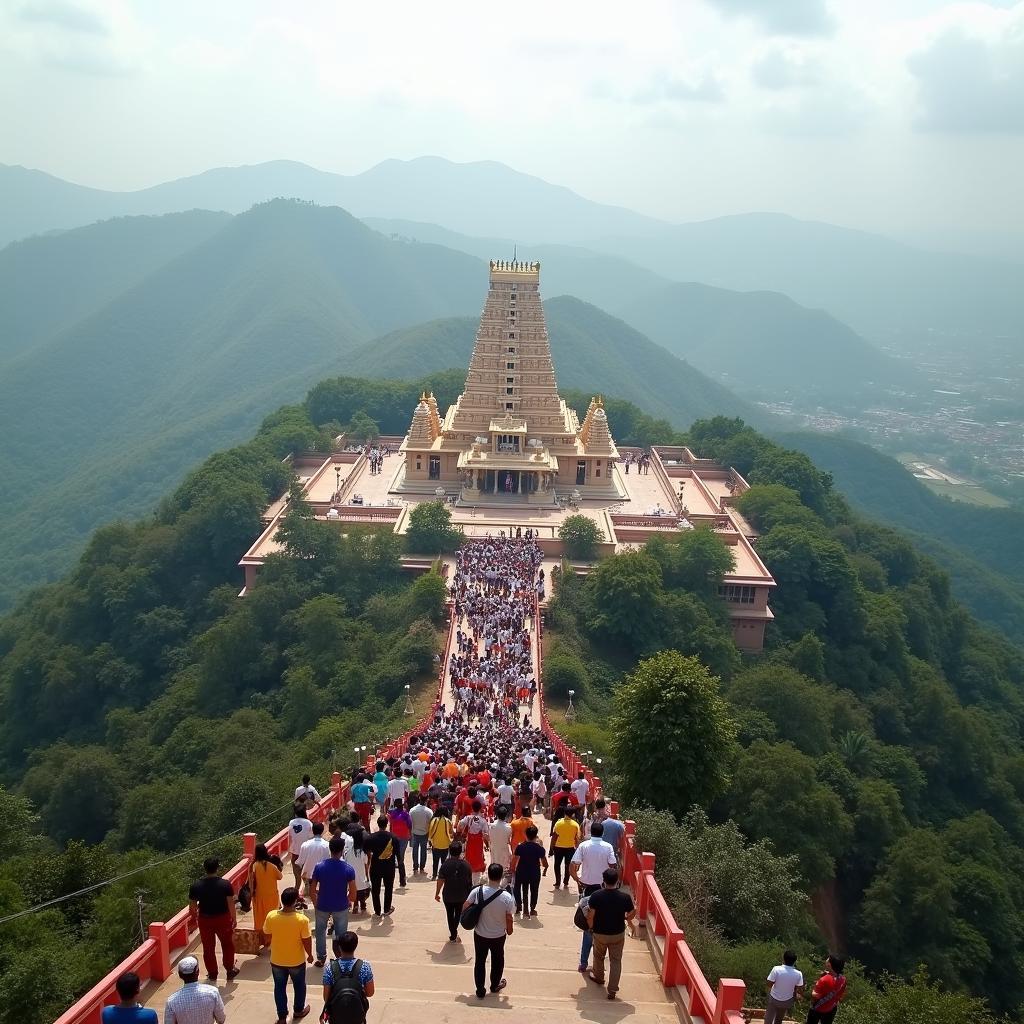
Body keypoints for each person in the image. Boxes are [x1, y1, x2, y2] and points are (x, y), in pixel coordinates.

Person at [463, 862, 515, 999]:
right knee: (497, 960)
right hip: (498, 935)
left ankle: (480, 989)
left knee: (480, 961)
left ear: (488, 875)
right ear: (500, 877)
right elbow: (509, 917)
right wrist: (509, 930)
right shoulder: (507, 897)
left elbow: (465, 906)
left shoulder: (477, 891)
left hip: (480, 934)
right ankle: (495, 985)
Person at [262, 887, 314, 1023]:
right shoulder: (302, 920)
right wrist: (310, 955)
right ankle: (298, 1011)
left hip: (277, 960)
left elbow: (266, 935)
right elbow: (306, 940)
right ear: (295, 901)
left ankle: (282, 1017)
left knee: (279, 987)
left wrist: (271, 944)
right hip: (296, 961)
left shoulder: (271, 916)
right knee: (299, 986)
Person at [585, 869, 637, 1001]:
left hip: (600, 933)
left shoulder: (596, 896)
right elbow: (633, 912)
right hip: (617, 934)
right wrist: (626, 919)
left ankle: (599, 978)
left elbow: (590, 915)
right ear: (617, 881)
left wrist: (591, 928)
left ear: (603, 880)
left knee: (598, 956)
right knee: (616, 961)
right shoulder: (624, 897)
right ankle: (612, 990)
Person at [309, 837, 358, 968]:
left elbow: (312, 889)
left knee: (320, 931)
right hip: (340, 905)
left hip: (322, 904)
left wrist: (315, 902)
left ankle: (321, 957)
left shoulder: (319, 867)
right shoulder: (348, 869)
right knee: (341, 934)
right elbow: (353, 894)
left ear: (330, 849)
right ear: (342, 850)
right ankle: (340, 956)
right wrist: (347, 901)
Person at [187, 858, 238, 982]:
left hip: (205, 920)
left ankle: (213, 973)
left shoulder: (196, 886)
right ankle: (230, 969)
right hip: (223, 918)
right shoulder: (225, 884)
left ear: (205, 868)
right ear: (217, 867)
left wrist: (195, 919)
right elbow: (231, 904)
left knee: (208, 948)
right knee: (227, 945)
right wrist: (234, 918)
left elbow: (192, 907)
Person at [321, 931, 374, 1024]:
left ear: (339, 947)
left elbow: (326, 997)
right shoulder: (365, 966)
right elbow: (370, 993)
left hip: (336, 1016)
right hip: (357, 1015)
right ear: (356, 946)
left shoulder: (330, 967)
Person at [164, 956, 225, 1024]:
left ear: (180, 975)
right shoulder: (213, 993)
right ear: (198, 972)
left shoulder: (171, 1001)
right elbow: (221, 1018)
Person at [435, 840, 473, 942]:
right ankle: (454, 932)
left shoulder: (445, 865)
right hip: (461, 896)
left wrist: (437, 893)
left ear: (449, 851)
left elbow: (440, 880)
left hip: (448, 895)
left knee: (449, 914)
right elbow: (470, 883)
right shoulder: (466, 865)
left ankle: (453, 933)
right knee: (458, 914)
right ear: (460, 851)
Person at [249, 843, 284, 947]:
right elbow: (280, 877)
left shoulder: (253, 866)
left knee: (260, 919)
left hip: (258, 897)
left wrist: (251, 895)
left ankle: (262, 941)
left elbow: (250, 882)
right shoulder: (271, 866)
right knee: (272, 918)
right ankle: (271, 940)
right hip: (272, 896)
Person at [569, 820, 616, 896]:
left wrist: (577, 879)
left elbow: (573, 864)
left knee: (584, 905)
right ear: (603, 833)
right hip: (602, 884)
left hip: (586, 883)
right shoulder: (608, 847)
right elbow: (612, 864)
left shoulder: (583, 846)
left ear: (591, 832)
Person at [363, 815, 397, 917]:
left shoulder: (371, 837)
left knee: (375, 890)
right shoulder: (393, 837)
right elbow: (397, 853)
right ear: (387, 824)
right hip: (389, 866)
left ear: (378, 824)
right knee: (388, 888)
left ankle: (377, 911)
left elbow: (365, 850)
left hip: (376, 866)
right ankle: (386, 909)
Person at [510, 824, 547, 917]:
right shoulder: (540, 849)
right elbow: (545, 863)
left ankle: (520, 906)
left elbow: (514, 860)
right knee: (534, 890)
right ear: (536, 836)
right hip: (534, 873)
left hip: (521, 871)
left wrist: (512, 870)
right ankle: (532, 909)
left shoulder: (520, 847)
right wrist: (545, 868)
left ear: (525, 835)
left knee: (521, 889)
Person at [765, 950, 805, 1024]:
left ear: (783, 959)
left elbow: (769, 984)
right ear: (795, 961)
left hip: (774, 998)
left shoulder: (776, 969)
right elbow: (800, 989)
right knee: (779, 1020)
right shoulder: (799, 974)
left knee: (768, 1019)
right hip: (787, 1000)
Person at [806, 955, 847, 1024]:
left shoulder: (824, 980)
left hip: (818, 1007)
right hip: (831, 1007)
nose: (826, 960)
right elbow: (840, 995)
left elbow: (816, 996)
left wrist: (813, 991)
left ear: (829, 964)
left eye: (828, 959)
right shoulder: (843, 979)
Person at [298, 821, 331, 897]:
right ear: (322, 831)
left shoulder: (305, 844)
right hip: (323, 874)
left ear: (312, 831)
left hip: (309, 874)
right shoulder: (327, 845)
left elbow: (300, 861)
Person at [458, 800, 489, 882]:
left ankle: (469, 878)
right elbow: (486, 834)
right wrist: (488, 844)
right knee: (478, 859)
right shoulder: (483, 820)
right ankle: (476, 882)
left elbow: (460, 825)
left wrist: (461, 831)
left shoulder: (468, 818)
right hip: (478, 843)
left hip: (470, 842)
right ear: (480, 808)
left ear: (472, 808)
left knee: (468, 858)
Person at [550, 808, 580, 889]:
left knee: (557, 865)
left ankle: (557, 882)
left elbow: (554, 837)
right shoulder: (575, 825)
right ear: (572, 814)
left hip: (558, 848)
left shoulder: (558, 823)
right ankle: (566, 882)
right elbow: (577, 838)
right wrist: (577, 850)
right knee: (568, 866)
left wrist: (551, 848)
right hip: (570, 848)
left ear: (564, 813)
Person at [344, 825, 370, 915]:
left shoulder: (348, 852)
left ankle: (355, 904)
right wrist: (367, 876)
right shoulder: (362, 852)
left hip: (351, 878)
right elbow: (366, 865)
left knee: (355, 889)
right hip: (361, 878)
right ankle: (362, 904)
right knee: (363, 889)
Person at [387, 798, 413, 888]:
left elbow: (391, 825)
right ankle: (402, 880)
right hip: (404, 838)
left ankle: (391, 880)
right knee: (400, 859)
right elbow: (410, 825)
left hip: (394, 837)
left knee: (393, 859)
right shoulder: (406, 814)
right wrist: (410, 835)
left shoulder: (392, 814)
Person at [288, 807, 314, 891]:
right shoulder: (309, 823)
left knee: (297, 874)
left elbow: (291, 836)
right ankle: (308, 887)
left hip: (295, 852)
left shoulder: (291, 822)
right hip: (306, 852)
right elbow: (311, 837)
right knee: (306, 871)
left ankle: (297, 889)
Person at [409, 794, 433, 876]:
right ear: (427, 800)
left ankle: (415, 868)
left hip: (414, 833)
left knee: (415, 851)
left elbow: (410, 822)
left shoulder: (412, 810)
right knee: (423, 851)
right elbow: (431, 824)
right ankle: (422, 868)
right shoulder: (429, 811)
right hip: (424, 833)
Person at [427, 807, 455, 879]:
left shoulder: (434, 820)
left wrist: (430, 840)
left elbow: (430, 831)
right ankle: (443, 876)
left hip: (435, 845)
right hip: (445, 845)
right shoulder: (448, 821)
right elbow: (451, 833)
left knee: (435, 862)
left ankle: (434, 875)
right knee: (444, 862)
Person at [488, 805, 513, 878]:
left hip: (494, 850)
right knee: (503, 872)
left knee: (494, 871)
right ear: (506, 816)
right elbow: (509, 840)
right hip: (504, 851)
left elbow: (488, 837)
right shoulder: (509, 828)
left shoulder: (491, 826)